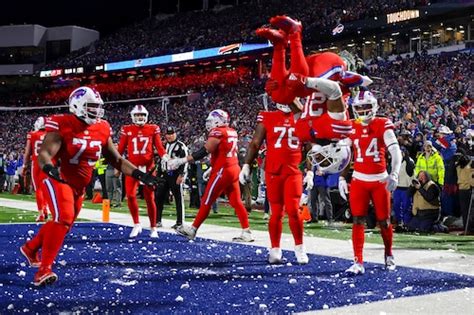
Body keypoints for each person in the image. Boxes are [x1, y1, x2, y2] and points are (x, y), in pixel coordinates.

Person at [20, 86, 162, 286]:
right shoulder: (62, 122)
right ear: (77, 105)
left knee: (64, 225)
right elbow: (44, 153)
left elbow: (117, 159)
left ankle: (30, 248)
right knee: (64, 219)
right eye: (91, 106)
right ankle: (44, 271)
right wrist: (51, 169)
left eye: (97, 106)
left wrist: (141, 175)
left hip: (79, 186)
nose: (96, 111)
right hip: (58, 179)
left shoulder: (102, 127)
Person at [338, 90, 402, 275]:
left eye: (366, 106)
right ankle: (358, 261)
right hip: (359, 179)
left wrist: (395, 173)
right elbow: (345, 156)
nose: (363, 111)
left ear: (374, 107)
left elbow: (396, 151)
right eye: (359, 107)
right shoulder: (351, 126)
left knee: (384, 221)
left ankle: (389, 254)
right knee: (357, 219)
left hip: (380, 179)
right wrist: (342, 177)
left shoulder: (382, 123)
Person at [240, 100, 310, 264]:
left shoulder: (301, 116)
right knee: (276, 212)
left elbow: (308, 146)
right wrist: (246, 165)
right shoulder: (267, 116)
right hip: (273, 171)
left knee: (293, 210)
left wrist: (311, 170)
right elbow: (255, 142)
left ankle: (300, 248)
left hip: (292, 171)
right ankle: (275, 249)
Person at [167, 109, 253, 242]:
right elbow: (223, 152)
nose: (209, 124)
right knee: (236, 201)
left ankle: (193, 229)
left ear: (218, 120)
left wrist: (181, 160)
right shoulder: (231, 131)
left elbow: (204, 151)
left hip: (223, 171)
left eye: (211, 121)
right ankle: (246, 231)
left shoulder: (218, 132)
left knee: (207, 200)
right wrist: (212, 167)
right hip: (233, 168)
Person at [118, 104, 169, 238]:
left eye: (142, 115)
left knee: (149, 198)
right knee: (130, 195)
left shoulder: (153, 128)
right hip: (132, 168)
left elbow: (159, 146)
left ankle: (153, 227)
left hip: (148, 168)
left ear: (146, 116)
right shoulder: (127, 129)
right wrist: (117, 165)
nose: (140, 117)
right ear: (133, 117)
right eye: (137, 115)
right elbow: (121, 149)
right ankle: (136, 224)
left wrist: (164, 156)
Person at [155, 126, 188, 229]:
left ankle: (180, 222)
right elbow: (161, 161)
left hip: (175, 175)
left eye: (171, 134)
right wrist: (158, 174)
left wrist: (181, 175)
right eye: (168, 134)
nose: (170, 136)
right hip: (164, 175)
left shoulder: (181, 146)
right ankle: (157, 220)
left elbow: (185, 160)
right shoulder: (163, 146)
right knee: (158, 198)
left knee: (178, 198)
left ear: (175, 134)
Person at [22, 117, 49, 221]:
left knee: (38, 189)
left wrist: (25, 166)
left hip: (37, 163)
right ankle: (46, 209)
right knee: (46, 188)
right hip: (48, 163)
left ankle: (41, 213)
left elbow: (28, 152)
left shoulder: (32, 134)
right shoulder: (51, 134)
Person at [393, 146, 415, 230]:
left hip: (406, 187)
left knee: (406, 206)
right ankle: (399, 222)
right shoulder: (396, 161)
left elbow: (412, 175)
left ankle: (406, 223)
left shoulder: (409, 161)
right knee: (396, 206)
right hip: (397, 187)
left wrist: (411, 187)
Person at [456, 153, 473, 234]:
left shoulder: (458, 167)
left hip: (461, 190)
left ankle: (467, 227)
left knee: (464, 210)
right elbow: (471, 181)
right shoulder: (468, 169)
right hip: (468, 190)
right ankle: (470, 228)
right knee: (470, 210)